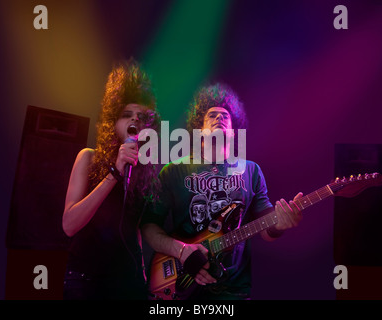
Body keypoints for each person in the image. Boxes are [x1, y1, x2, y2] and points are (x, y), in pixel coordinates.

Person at [141, 83, 303, 300]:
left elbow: (266, 227)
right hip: (183, 285)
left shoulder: (251, 170)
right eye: (212, 115)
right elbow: (149, 225)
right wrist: (181, 251)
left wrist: (279, 226)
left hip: (233, 290)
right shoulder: (174, 170)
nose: (219, 118)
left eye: (225, 117)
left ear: (234, 131)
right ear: (199, 128)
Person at [62, 59, 160, 300]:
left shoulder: (145, 172)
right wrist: (114, 172)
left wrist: (143, 274)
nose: (134, 120)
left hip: (128, 283)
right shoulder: (88, 158)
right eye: (127, 115)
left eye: (140, 116)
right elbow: (69, 225)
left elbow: (134, 229)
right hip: (87, 281)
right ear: (113, 122)